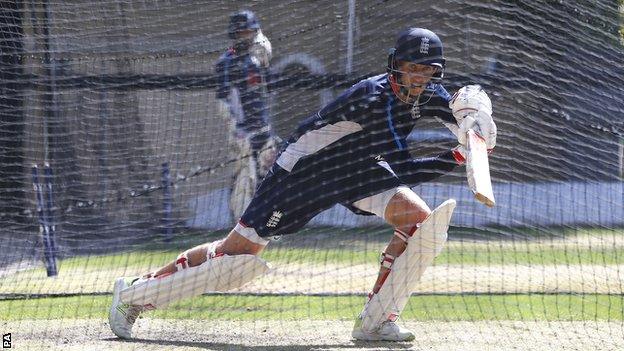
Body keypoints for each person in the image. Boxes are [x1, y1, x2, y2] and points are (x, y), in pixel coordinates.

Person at [109, 27, 497, 342]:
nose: (418, 78)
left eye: (427, 71)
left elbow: (462, 120)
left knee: (422, 225)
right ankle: (134, 296)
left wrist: (475, 124)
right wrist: (457, 157)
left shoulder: (428, 92)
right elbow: (407, 168)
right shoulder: (372, 99)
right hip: (304, 173)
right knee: (235, 259)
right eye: (412, 68)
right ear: (395, 65)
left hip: (357, 170)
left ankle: (377, 322)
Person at [214, 10, 278, 221]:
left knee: (269, 176)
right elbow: (222, 100)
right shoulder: (226, 62)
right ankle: (239, 225)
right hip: (241, 131)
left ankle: (266, 224)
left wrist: (265, 59)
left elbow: (269, 86)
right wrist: (234, 128)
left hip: (262, 128)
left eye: (250, 31)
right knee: (244, 178)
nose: (248, 36)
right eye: (243, 32)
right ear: (235, 34)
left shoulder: (257, 59)